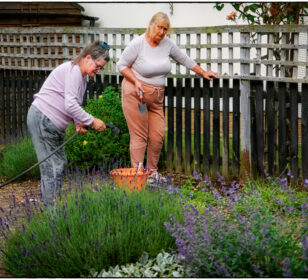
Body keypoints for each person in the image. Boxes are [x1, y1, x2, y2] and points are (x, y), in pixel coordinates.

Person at [117, 12, 219, 183]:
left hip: (156, 98)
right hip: (136, 95)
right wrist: (135, 81)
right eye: (160, 27)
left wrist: (203, 72)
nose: (162, 32)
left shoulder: (167, 44)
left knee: (157, 136)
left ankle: (152, 173)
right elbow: (121, 65)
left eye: (165, 29)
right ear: (151, 25)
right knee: (140, 136)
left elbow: (184, 59)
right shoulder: (138, 43)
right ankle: (138, 175)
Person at [27, 41, 110, 206]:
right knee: (51, 168)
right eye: (98, 66)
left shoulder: (81, 76)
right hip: (43, 119)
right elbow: (70, 104)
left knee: (59, 164)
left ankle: (53, 206)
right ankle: (51, 215)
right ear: (87, 57)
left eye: (101, 68)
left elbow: (72, 103)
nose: (98, 71)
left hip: (51, 125)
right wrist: (92, 121)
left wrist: (78, 122)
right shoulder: (73, 71)